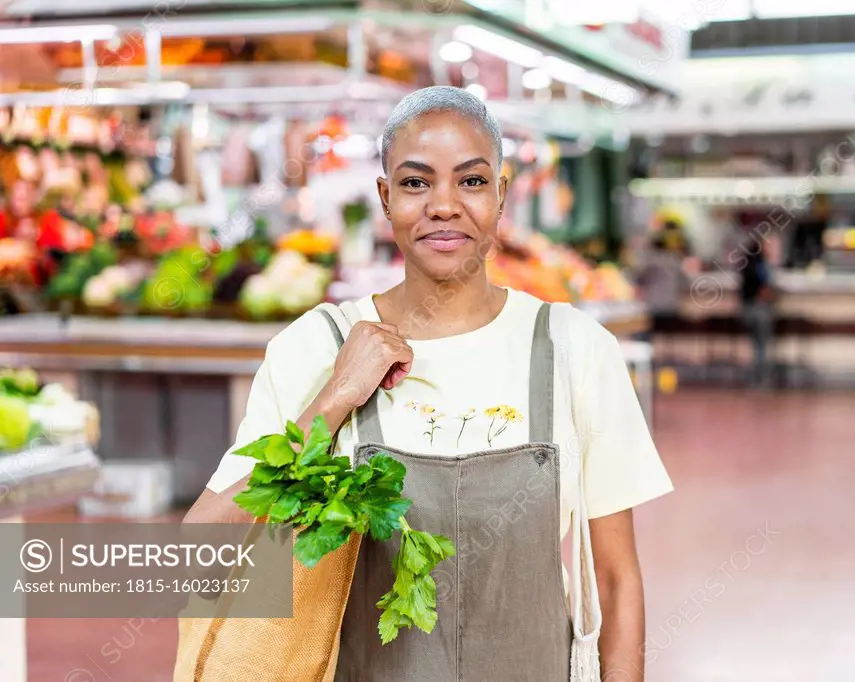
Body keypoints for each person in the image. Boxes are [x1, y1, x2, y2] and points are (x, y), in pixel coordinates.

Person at [184, 86, 673, 681]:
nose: (444, 205)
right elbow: (202, 548)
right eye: (416, 183)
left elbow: (618, 581)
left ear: (501, 193)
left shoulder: (576, 349)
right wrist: (335, 398)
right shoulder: (316, 347)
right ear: (385, 198)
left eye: (470, 181)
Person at [738, 233, 775, 388]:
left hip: (747, 310)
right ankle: (761, 378)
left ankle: (754, 377)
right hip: (760, 310)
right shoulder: (761, 265)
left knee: (755, 345)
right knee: (761, 346)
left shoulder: (744, 265)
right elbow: (765, 290)